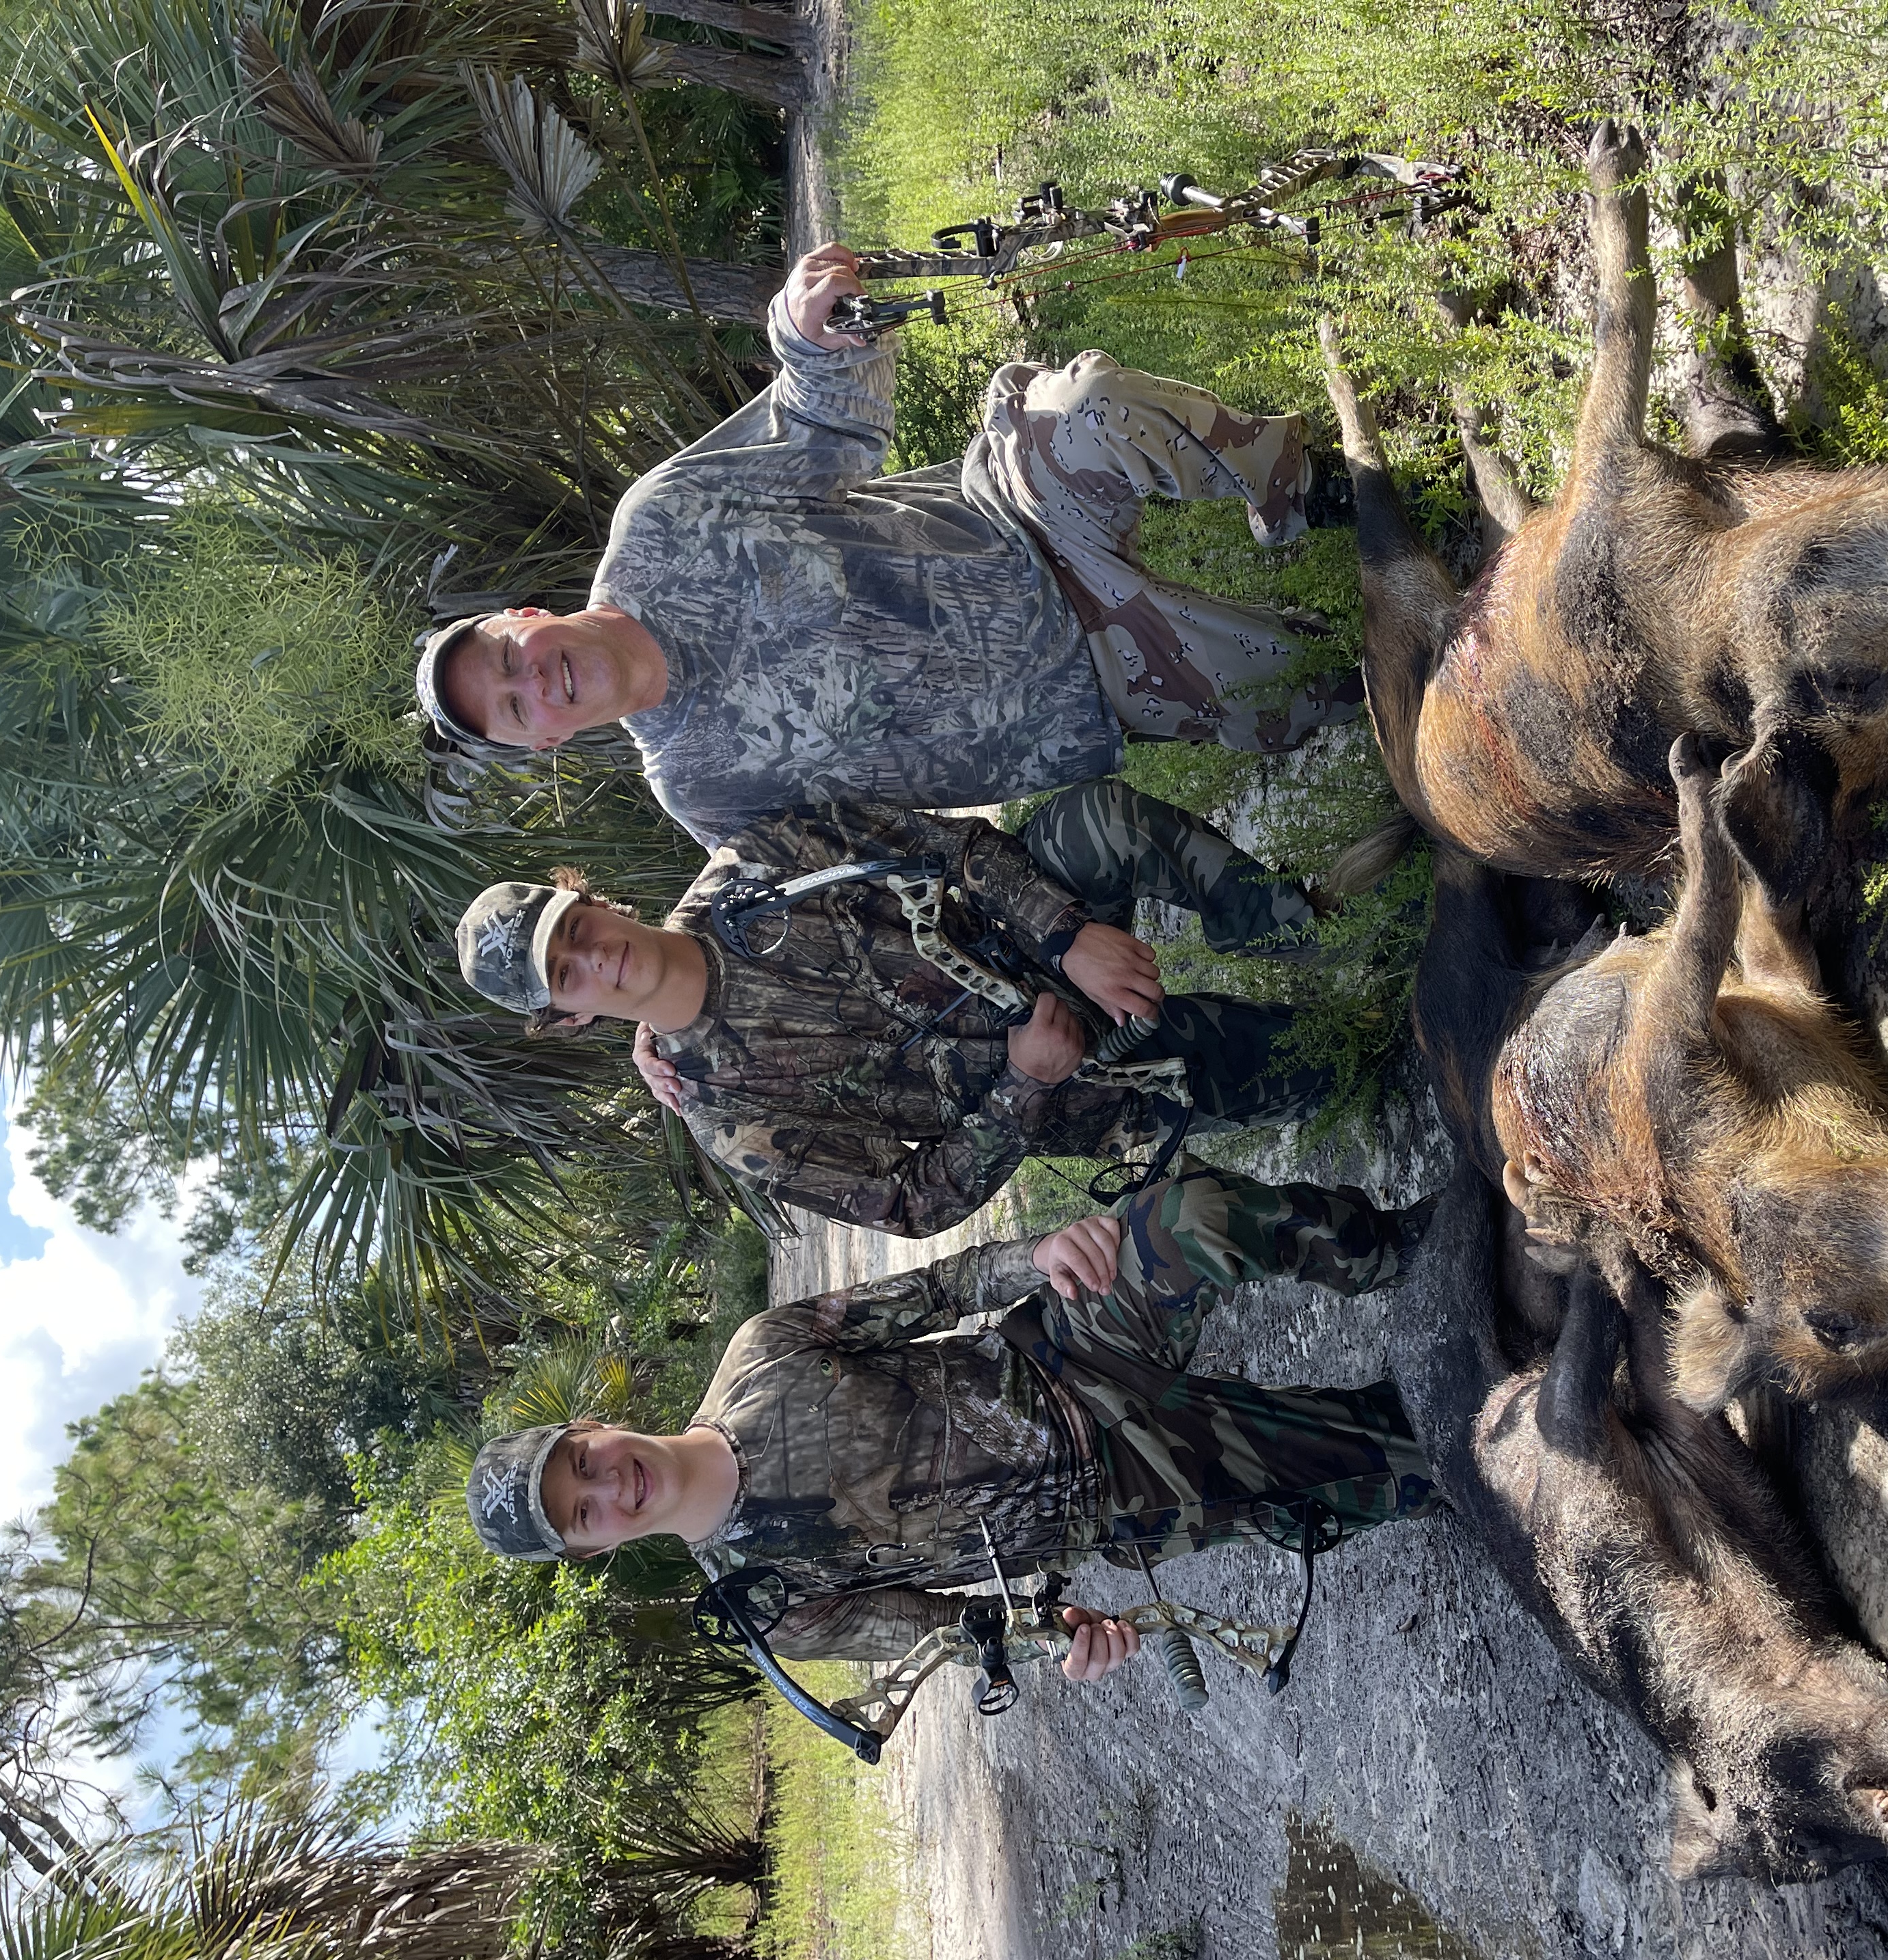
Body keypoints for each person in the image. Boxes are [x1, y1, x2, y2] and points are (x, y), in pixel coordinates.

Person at [410, 242, 1358, 846]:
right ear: (540, 740)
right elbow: (864, 878)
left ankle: (1310, 490)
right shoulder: (703, 793)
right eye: (511, 707)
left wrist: (808, 336)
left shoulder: (659, 523)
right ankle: (1291, 647)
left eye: (508, 658)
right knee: (1333, 690)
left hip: (1013, 519)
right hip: (1091, 690)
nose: (534, 682)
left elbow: (823, 426)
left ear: (525, 617)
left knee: (1086, 410)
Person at [463, 1167, 1440, 1683]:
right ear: (594, 1551)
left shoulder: (761, 1354)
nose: (606, 1485)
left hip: (1066, 1353)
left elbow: (935, 1290)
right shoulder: (775, 1606)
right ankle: (1428, 1432)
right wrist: (1070, 1635)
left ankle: (1408, 1249)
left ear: (593, 1425)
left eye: (580, 1462)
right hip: (1127, 1496)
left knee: (1192, 1217)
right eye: (582, 1513)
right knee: (1405, 1463)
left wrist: (1039, 1252)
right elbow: (967, 1632)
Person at [455, 781, 1341, 1236]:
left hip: (1032, 937)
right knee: (1324, 1063)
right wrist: (1026, 1088)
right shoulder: (725, 1117)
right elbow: (906, 1206)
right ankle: (1313, 1044)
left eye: (573, 926)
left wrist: (1066, 934)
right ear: (568, 1016)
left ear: (593, 899)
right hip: (1082, 1084)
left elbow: (946, 845)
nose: (593, 955)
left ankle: (1296, 929)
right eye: (565, 976)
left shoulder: (756, 863)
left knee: (1101, 823)